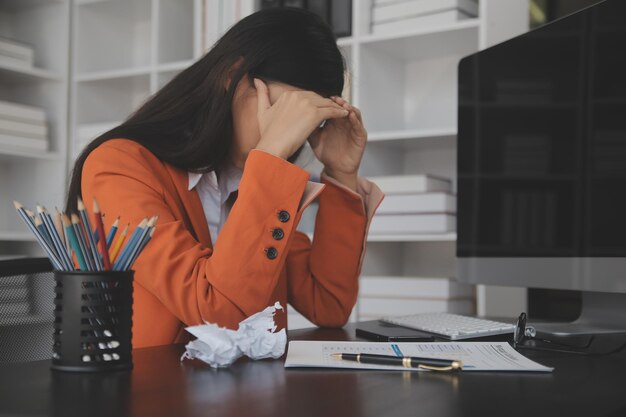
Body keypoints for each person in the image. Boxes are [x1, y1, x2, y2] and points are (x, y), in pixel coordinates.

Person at [66, 7, 384, 348]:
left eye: (307, 120)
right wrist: (271, 158)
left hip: (251, 391)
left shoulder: (260, 180)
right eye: (287, 111)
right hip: (153, 394)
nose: (294, 131)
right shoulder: (119, 166)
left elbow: (328, 305)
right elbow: (216, 311)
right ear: (233, 76)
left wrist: (340, 174)